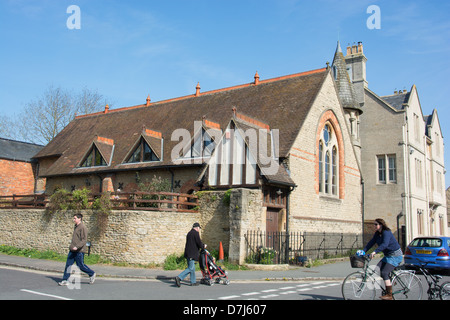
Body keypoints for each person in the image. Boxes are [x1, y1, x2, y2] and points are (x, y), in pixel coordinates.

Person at [362, 218, 403, 300]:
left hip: (395, 256)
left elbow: (385, 244)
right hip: (387, 255)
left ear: (381, 225)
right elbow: (371, 242)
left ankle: (389, 295)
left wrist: (374, 252)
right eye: (374, 224)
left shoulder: (386, 232)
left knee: (384, 272)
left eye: (376, 224)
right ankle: (390, 282)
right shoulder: (377, 234)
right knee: (378, 269)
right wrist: (363, 251)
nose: (374, 226)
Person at [58, 213, 96, 286]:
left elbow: (84, 240)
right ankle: (65, 280)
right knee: (68, 265)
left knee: (80, 265)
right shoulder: (76, 226)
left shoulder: (82, 227)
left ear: (79, 219)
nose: (73, 219)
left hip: (79, 251)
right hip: (72, 250)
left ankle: (91, 273)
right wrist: (72, 247)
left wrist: (77, 246)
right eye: (74, 218)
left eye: (75, 218)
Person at [175, 222, 206, 287]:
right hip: (192, 253)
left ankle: (193, 282)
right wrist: (203, 246)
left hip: (188, 253)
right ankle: (179, 277)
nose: (199, 230)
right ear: (197, 228)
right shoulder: (195, 233)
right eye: (199, 228)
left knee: (192, 268)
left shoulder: (189, 233)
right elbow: (198, 242)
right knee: (190, 268)